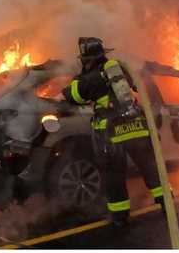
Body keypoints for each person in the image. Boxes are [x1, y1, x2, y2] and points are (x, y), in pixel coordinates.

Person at [60, 37, 164, 228]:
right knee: (150, 167)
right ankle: (166, 203)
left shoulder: (88, 79)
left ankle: (120, 217)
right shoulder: (120, 67)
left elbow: (74, 96)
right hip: (136, 126)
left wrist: (74, 83)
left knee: (113, 176)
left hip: (111, 134)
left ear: (86, 59)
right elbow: (136, 84)